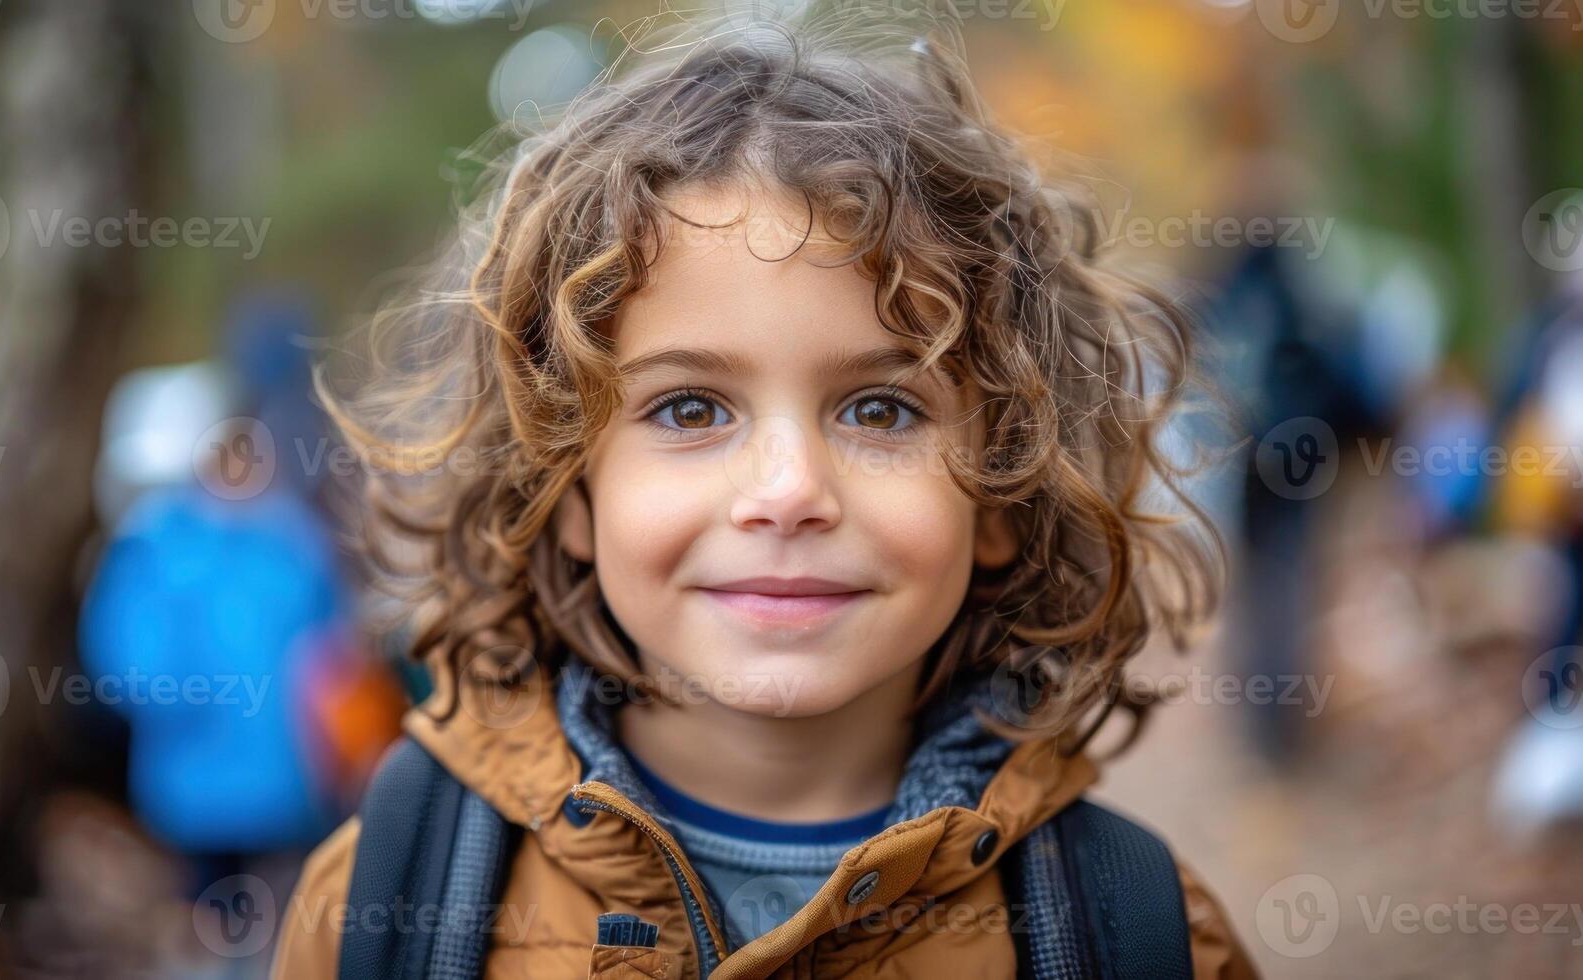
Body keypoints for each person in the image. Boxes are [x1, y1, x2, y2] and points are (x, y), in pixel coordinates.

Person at [272, 9, 1257, 978]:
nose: (787, 492)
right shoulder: (388, 903)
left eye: (880, 411)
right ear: (565, 485)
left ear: (1003, 490)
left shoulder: (1136, 931)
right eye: (691, 409)